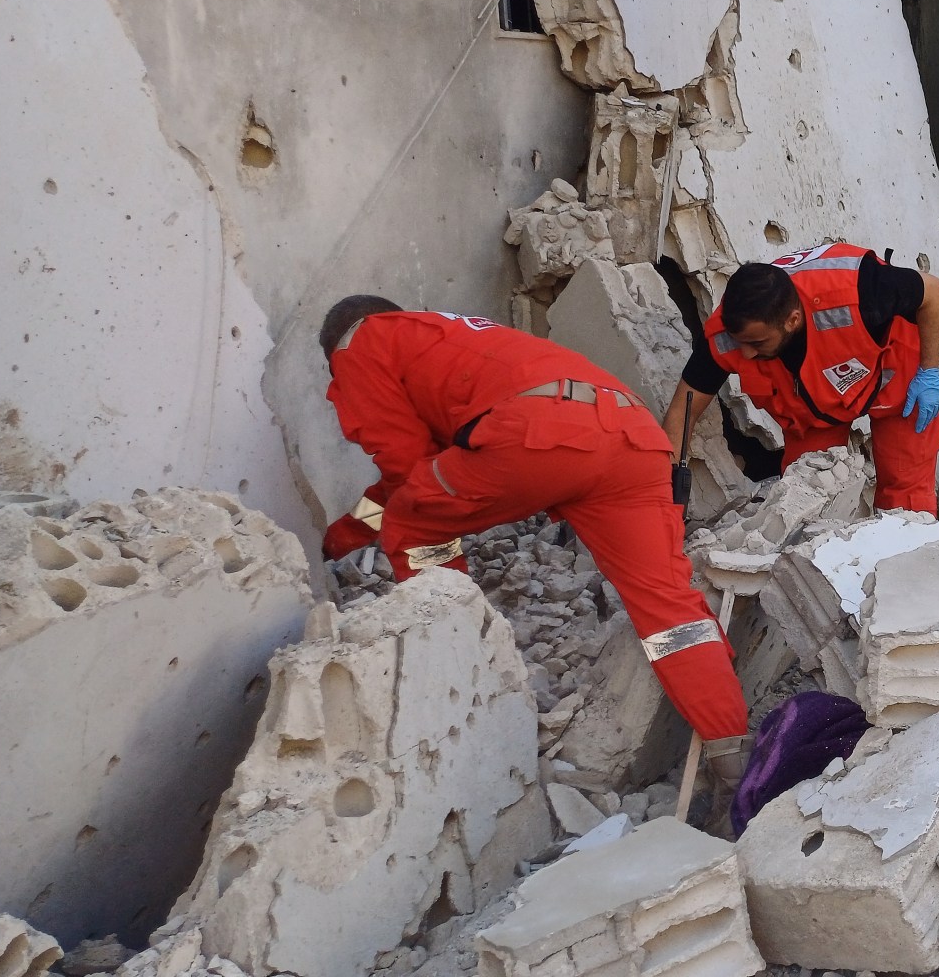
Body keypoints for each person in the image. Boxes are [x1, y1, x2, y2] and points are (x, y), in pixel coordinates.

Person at [317, 297, 746, 743]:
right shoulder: (447, 334)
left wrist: (341, 540)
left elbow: (405, 474)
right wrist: (347, 534)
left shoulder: (357, 344)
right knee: (668, 607)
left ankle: (458, 666)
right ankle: (729, 743)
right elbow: (408, 483)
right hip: (632, 434)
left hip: (539, 433)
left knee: (415, 525)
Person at [663, 242, 939, 513]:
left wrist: (930, 373)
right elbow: (682, 412)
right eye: (740, 343)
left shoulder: (864, 290)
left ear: (792, 320)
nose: (745, 354)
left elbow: (932, 290)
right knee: (805, 496)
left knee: (906, 493)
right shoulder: (728, 336)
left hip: (896, 376)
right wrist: (666, 495)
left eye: (758, 343)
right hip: (814, 407)